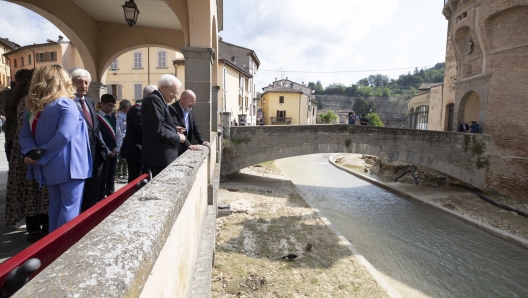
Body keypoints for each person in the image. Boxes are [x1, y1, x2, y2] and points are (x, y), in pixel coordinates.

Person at [19, 65, 92, 233]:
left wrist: (33, 154)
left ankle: (53, 244)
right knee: (70, 207)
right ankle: (64, 247)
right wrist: (41, 155)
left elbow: (24, 137)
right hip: (72, 165)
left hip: (48, 166)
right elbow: (64, 136)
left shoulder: (33, 109)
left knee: (55, 206)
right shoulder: (66, 103)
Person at [4, 69, 50, 242]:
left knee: (29, 189)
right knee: (39, 188)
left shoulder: (19, 100)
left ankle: (33, 229)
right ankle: (44, 226)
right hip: (33, 148)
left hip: (21, 148)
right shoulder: (33, 101)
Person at [69, 68, 108, 212]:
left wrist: (102, 149)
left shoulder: (90, 102)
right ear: (70, 83)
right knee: (79, 194)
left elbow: (94, 129)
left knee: (93, 192)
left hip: (95, 155)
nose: (83, 85)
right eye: (79, 82)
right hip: (78, 156)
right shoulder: (67, 103)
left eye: (86, 82)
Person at [141, 75, 186, 178]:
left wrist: (173, 129)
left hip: (162, 156)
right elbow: (158, 130)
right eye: (173, 92)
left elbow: (159, 123)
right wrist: (178, 137)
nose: (175, 96)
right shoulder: (154, 100)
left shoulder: (159, 100)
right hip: (160, 157)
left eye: (176, 93)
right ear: (162, 88)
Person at [121, 85, 156, 183]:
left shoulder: (145, 108)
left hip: (144, 151)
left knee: (145, 179)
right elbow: (144, 130)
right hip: (136, 152)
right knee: (135, 181)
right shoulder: (137, 109)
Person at [169, 90, 210, 155]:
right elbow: (178, 130)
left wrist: (202, 141)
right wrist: (188, 145)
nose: (193, 104)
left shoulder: (188, 109)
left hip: (186, 148)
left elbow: (194, 126)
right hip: (176, 149)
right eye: (192, 102)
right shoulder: (172, 109)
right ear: (183, 99)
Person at [97, 94, 122, 200]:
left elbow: (118, 134)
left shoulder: (113, 117)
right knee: (103, 175)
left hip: (113, 150)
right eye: (109, 105)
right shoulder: (97, 117)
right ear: (102, 104)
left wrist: (116, 149)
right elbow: (99, 136)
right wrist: (107, 150)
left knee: (112, 174)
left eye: (113, 106)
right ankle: (101, 196)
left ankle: (111, 193)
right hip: (103, 151)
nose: (111, 108)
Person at [116, 99, 131, 183]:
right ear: (126, 107)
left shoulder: (127, 115)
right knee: (122, 158)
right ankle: (120, 174)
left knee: (127, 157)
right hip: (122, 138)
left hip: (127, 137)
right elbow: (119, 126)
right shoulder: (119, 115)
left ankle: (125, 173)